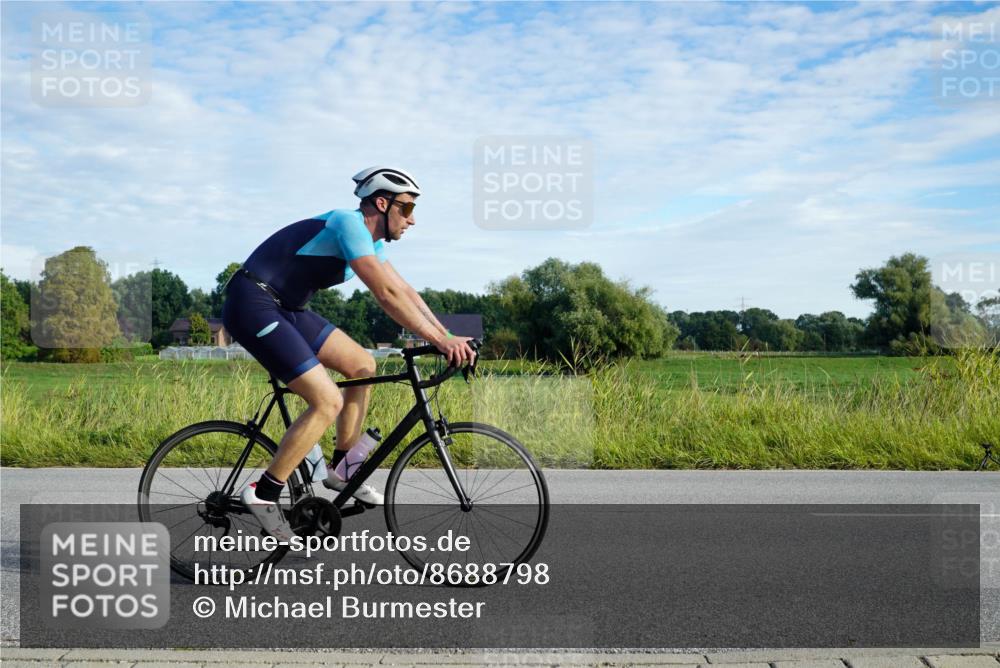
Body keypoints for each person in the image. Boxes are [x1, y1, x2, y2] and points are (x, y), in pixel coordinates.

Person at [221, 167, 476, 540]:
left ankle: (342, 467)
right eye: (406, 209)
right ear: (382, 203)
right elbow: (386, 297)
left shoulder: (370, 242)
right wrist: (441, 342)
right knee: (326, 401)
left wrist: (447, 335)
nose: (412, 219)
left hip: (287, 308)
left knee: (362, 364)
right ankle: (264, 492)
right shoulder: (348, 223)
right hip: (252, 302)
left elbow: (404, 292)